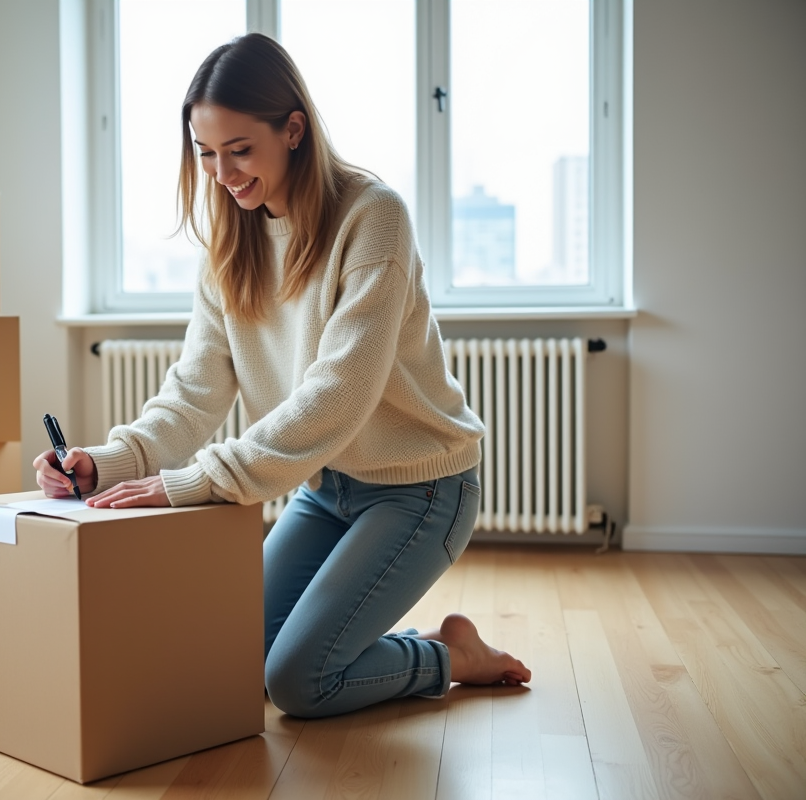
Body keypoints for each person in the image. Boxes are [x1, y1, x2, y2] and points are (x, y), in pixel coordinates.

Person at [34, 33, 530, 719]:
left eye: (240, 150)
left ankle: (452, 659)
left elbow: (340, 393)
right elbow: (193, 391)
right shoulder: (230, 244)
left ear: (293, 129)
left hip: (423, 489)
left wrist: (201, 480)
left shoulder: (373, 217)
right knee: (242, 653)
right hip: (328, 488)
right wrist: (106, 462)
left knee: (299, 681)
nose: (223, 173)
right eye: (206, 154)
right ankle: (386, 644)